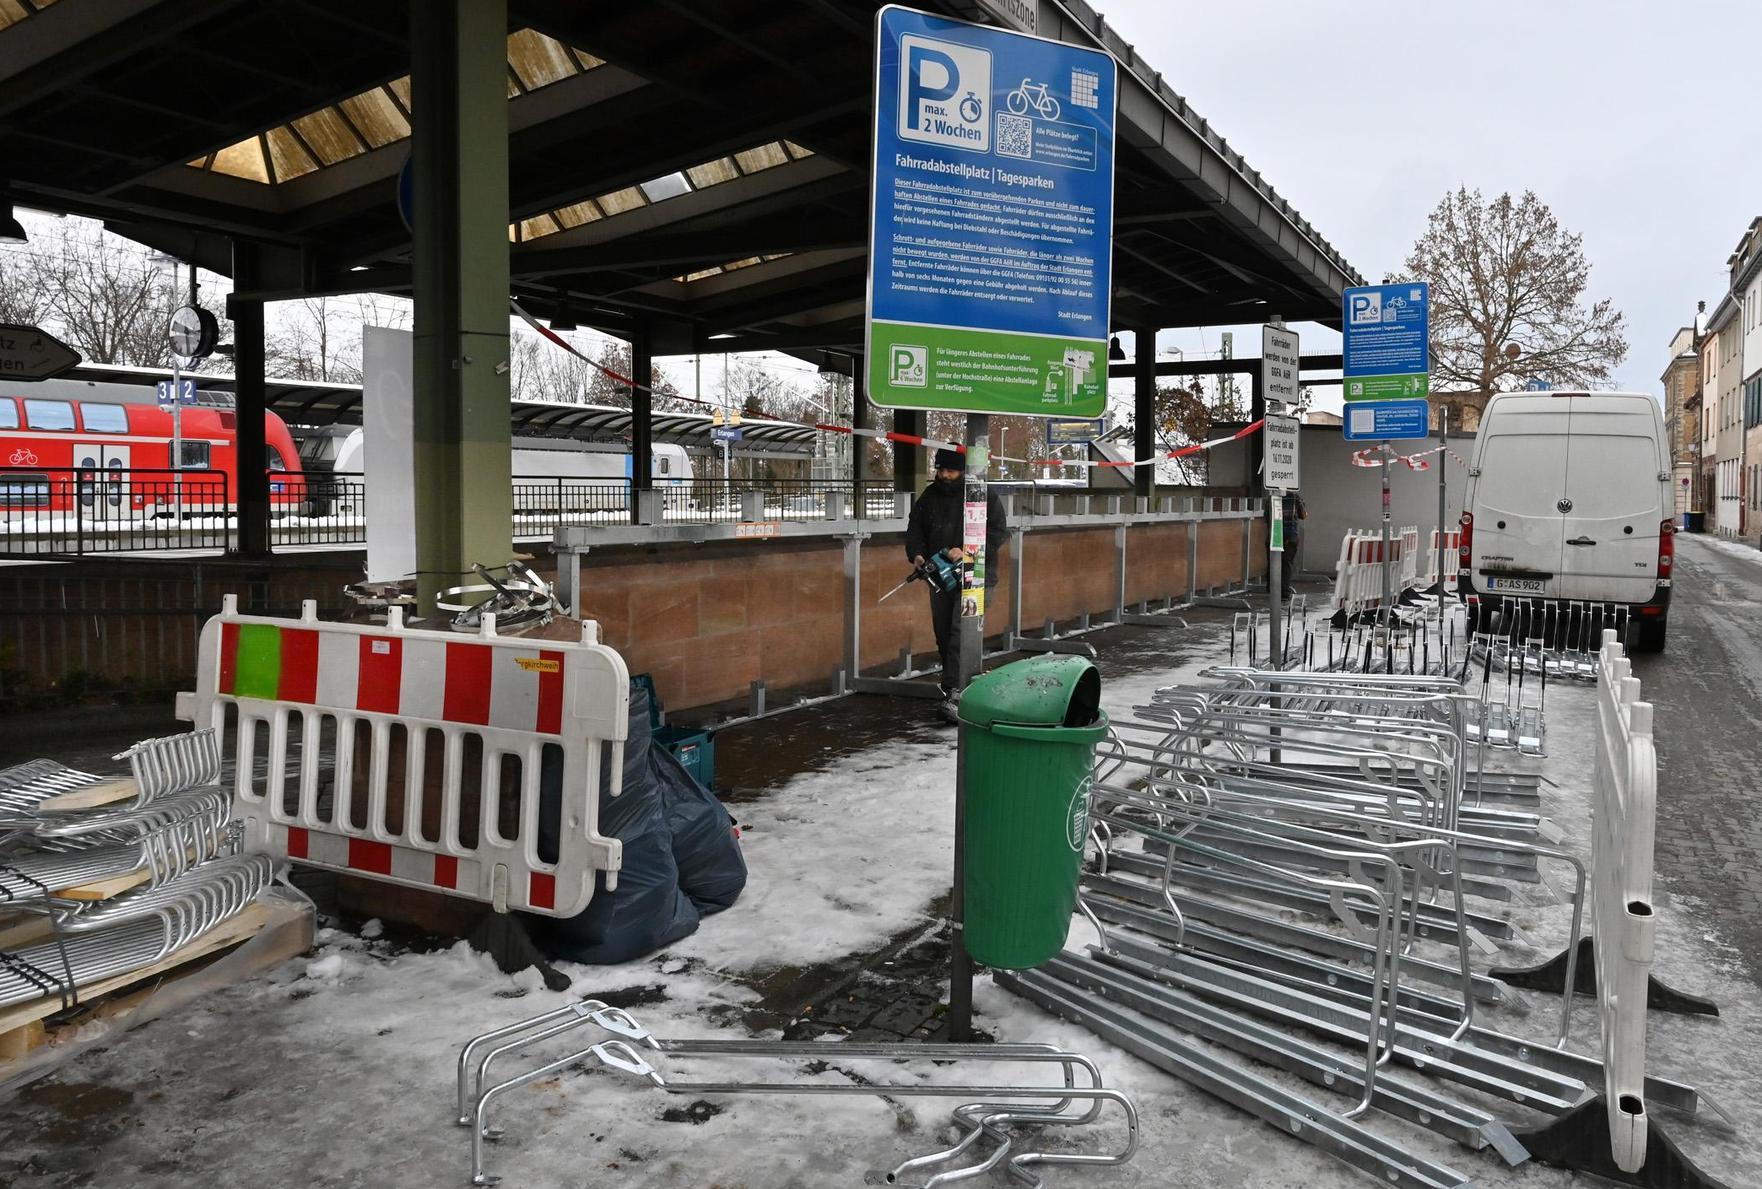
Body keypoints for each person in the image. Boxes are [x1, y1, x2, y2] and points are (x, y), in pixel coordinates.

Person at [905, 448, 1007, 706]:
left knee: (962, 633)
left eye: (949, 470)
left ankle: (957, 689)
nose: (943, 475)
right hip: (940, 577)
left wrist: (968, 550)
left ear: (962, 470)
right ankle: (952, 684)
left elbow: (998, 532)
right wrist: (917, 554)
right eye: (940, 470)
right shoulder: (930, 496)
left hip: (977, 575)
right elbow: (915, 527)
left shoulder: (982, 494)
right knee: (943, 632)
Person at [1280, 488, 1307, 599]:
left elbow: (1266, 516)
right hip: (1291, 537)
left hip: (1275, 535)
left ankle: (1271, 587)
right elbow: (1303, 515)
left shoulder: (1272, 498)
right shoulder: (1295, 497)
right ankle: (1284, 591)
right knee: (1287, 564)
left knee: (1274, 562)